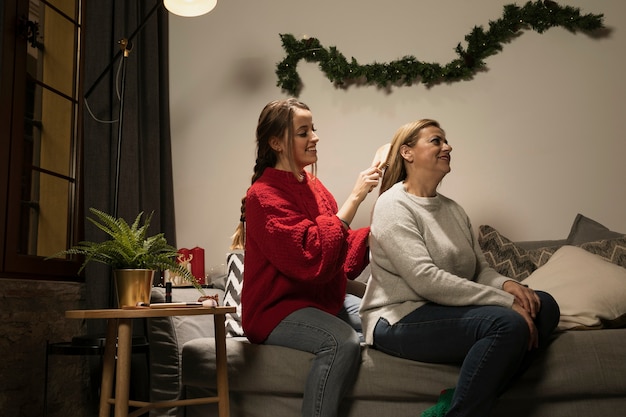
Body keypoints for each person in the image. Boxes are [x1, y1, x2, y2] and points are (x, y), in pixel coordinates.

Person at [360, 119, 560, 417]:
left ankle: (458, 401)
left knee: (544, 305)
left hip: (444, 309)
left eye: (446, 141)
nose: (447, 146)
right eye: (436, 141)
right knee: (507, 323)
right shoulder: (393, 206)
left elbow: (480, 270)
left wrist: (508, 286)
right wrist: (506, 303)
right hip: (399, 317)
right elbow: (426, 280)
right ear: (407, 153)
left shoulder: (453, 209)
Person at [230, 98, 382, 417]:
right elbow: (310, 256)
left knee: (380, 320)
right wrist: (355, 197)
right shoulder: (261, 196)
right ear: (276, 143)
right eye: (303, 132)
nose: (314, 137)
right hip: (276, 310)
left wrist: (378, 230)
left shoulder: (313, 185)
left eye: (313, 129)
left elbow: (338, 252)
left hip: (320, 300)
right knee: (342, 341)